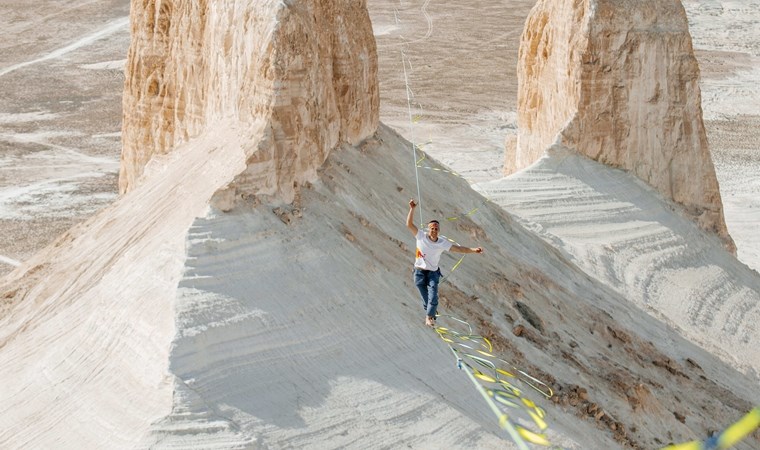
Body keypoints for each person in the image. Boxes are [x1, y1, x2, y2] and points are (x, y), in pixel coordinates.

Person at [406, 199, 483, 327]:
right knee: (425, 296)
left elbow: (459, 249)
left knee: (433, 295)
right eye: (432, 228)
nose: (434, 230)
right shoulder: (421, 236)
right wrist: (412, 209)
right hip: (419, 272)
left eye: (436, 228)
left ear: (439, 230)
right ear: (428, 229)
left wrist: (474, 250)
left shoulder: (442, 242)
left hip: (432, 273)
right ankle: (431, 313)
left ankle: (429, 317)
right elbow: (409, 224)